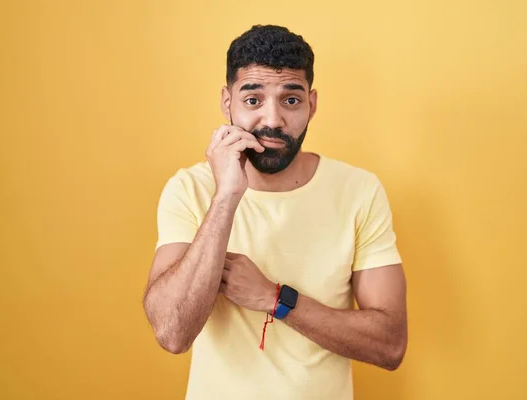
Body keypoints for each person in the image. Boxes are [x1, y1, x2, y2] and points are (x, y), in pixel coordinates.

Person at [142, 24, 408, 400]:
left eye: (291, 100)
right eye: (253, 100)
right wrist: (227, 197)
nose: (272, 120)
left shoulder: (359, 191)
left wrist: (273, 297)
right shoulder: (190, 190)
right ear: (227, 102)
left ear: (311, 104)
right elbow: (171, 332)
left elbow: (389, 345)